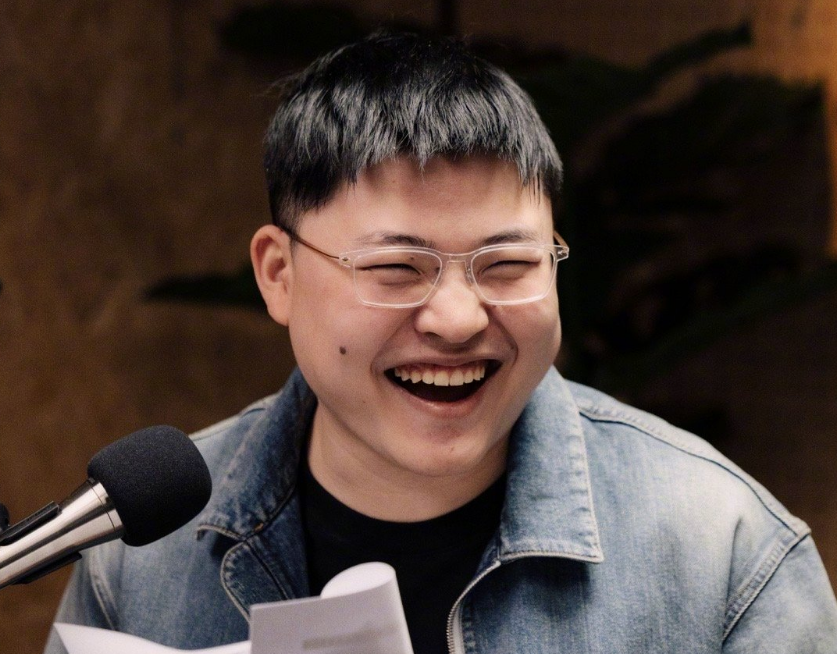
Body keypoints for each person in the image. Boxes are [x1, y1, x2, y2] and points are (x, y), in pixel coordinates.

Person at [45, 32, 837, 654]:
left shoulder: (720, 553)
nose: (457, 320)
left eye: (507, 265)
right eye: (396, 268)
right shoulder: (139, 556)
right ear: (278, 274)